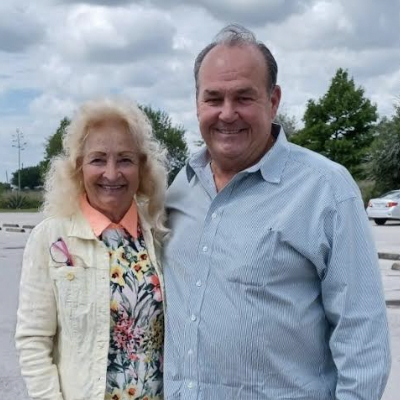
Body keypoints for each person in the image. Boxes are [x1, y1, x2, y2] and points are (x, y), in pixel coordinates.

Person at [162, 24, 391, 399]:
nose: (227, 113)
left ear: (273, 100)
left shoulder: (326, 189)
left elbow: (362, 338)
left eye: (244, 97)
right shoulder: (180, 189)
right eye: (214, 98)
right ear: (197, 102)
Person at [15, 98, 167, 400]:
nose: (112, 174)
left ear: (142, 168)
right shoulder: (52, 238)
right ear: (78, 166)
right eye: (98, 159)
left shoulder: (158, 235)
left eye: (125, 159)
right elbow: (33, 340)